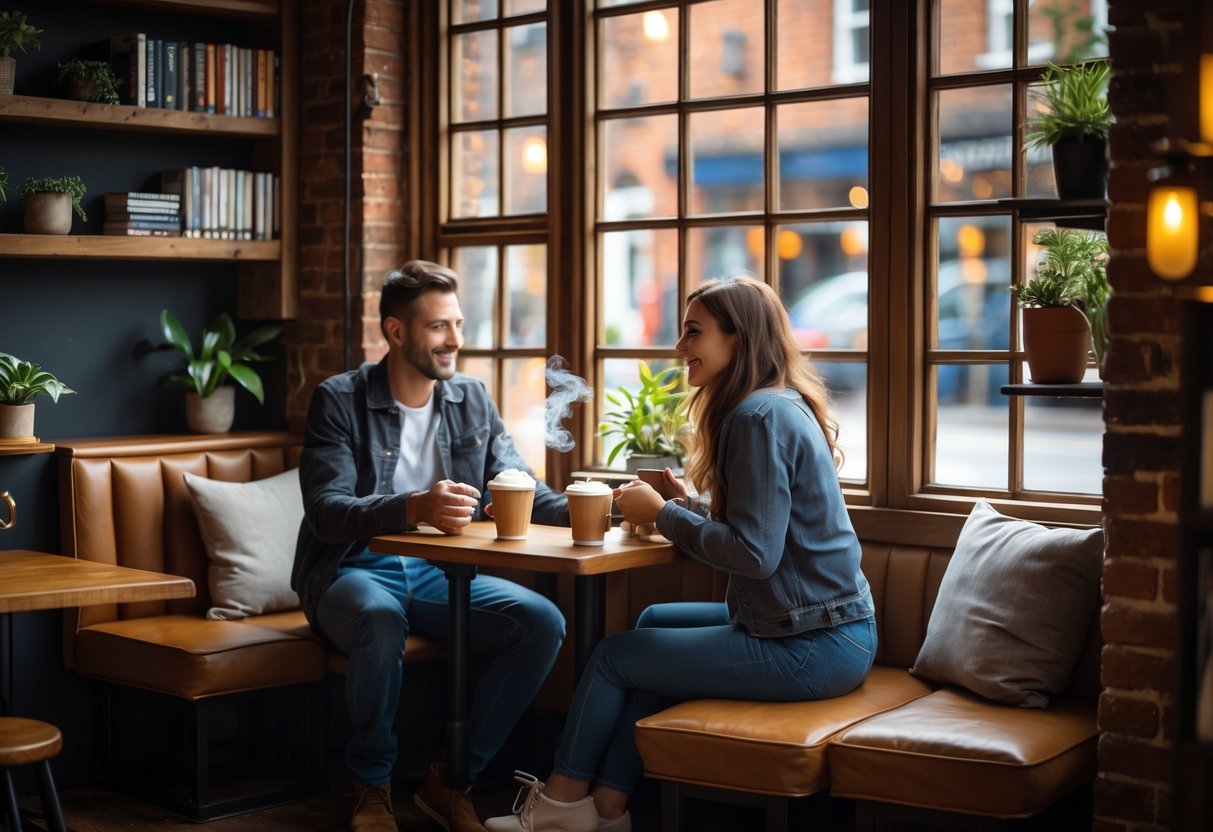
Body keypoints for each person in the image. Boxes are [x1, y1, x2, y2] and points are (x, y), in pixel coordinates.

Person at [484, 275, 877, 832]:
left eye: (693, 332)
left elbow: (755, 555)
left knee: (615, 656)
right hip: (827, 628)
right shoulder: (776, 405)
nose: (679, 346)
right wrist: (686, 505)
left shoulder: (755, 418)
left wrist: (662, 516)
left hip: (812, 645)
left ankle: (558, 806)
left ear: (736, 339)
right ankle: (607, 809)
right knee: (651, 623)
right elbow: (767, 531)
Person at [293, 260, 570, 832]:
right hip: (350, 570)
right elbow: (326, 513)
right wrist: (412, 507)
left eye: (459, 325)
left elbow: (520, 487)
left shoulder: (470, 397)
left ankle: (452, 780)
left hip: (440, 572)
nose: (455, 341)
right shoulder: (339, 399)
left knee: (542, 621)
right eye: (438, 327)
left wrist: (611, 507)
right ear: (396, 333)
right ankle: (371, 787)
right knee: (380, 617)